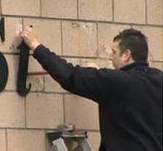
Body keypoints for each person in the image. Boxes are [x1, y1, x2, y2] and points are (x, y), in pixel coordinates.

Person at [19, 27, 162, 151]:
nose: (111, 58)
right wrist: (99, 75)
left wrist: (36, 46)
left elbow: (69, 75)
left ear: (126, 55)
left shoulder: (116, 82)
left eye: (114, 52)